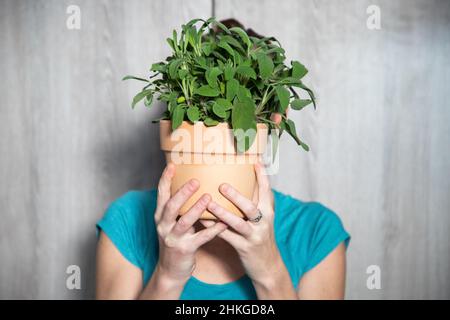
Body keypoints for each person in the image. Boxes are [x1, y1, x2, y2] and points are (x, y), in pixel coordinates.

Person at [95, 19, 350, 300]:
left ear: (275, 120)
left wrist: (270, 272)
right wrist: (167, 276)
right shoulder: (127, 220)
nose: (219, 125)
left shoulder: (316, 231)